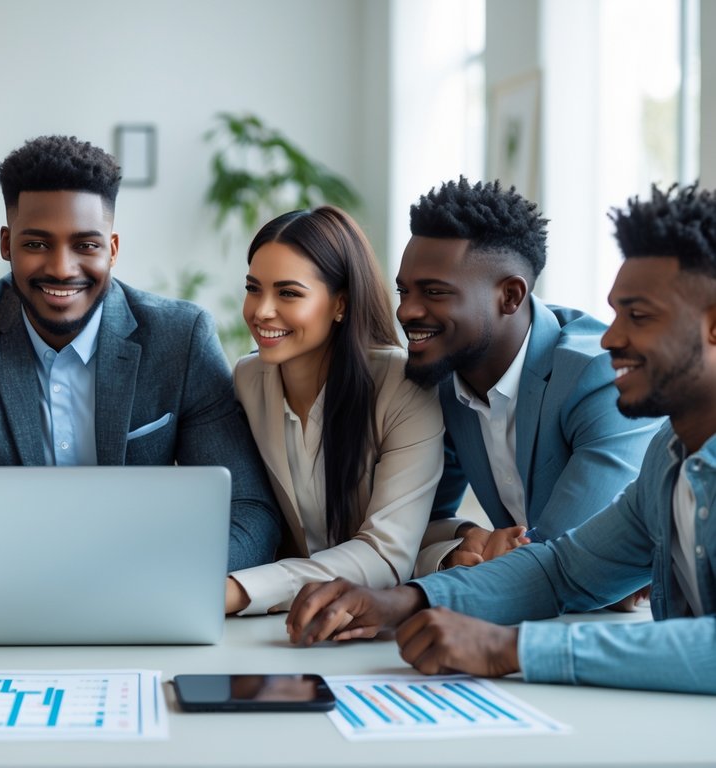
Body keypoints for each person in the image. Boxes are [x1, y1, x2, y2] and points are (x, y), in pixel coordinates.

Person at [286, 183, 716, 695]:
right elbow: (563, 571)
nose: (611, 337)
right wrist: (400, 602)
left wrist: (510, 648)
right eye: (617, 313)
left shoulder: (591, 379)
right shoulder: (670, 458)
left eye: (638, 316)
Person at [0, 135, 281, 607]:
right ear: (6, 244)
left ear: (112, 249)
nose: (61, 269)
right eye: (37, 244)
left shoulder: (180, 339)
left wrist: (160, 579)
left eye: (85, 245)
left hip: (138, 602)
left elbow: (250, 511)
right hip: (1, 598)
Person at [397, 178, 658, 575]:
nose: (406, 311)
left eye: (434, 292)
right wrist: (467, 538)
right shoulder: (445, 382)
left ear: (510, 296)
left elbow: (566, 562)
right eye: (403, 292)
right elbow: (407, 524)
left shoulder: (600, 377)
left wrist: (415, 594)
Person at [225, 207, 443, 615]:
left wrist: (236, 591)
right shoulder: (247, 379)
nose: (261, 311)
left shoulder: (403, 386)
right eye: (254, 288)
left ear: (340, 304)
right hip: (283, 618)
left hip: (374, 619)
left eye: (288, 293)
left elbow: (385, 553)